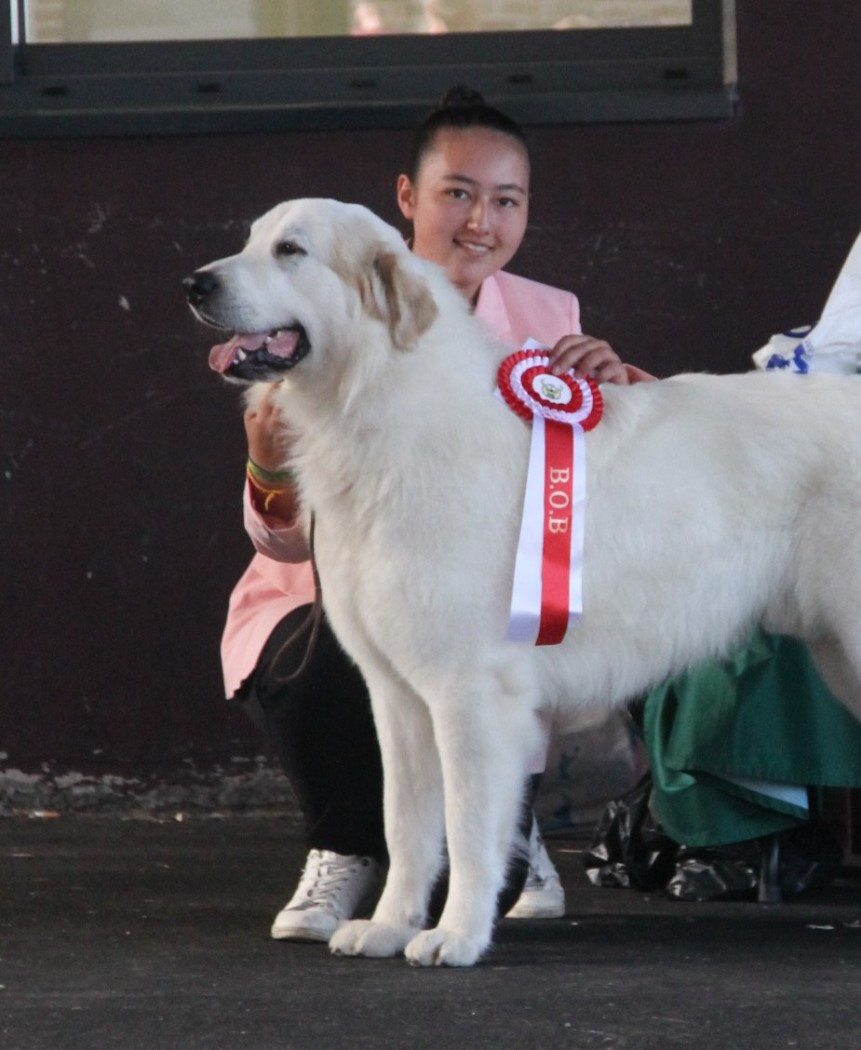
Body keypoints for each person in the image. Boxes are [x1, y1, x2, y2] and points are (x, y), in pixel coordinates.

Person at [224, 86, 646, 942]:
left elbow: (600, 487)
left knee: (462, 631)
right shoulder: (319, 298)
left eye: (506, 199)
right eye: (457, 193)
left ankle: (500, 827)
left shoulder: (547, 317)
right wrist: (269, 464)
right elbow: (279, 538)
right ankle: (345, 845)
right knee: (366, 626)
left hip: (493, 619)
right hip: (321, 593)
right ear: (408, 199)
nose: (481, 220)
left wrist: (616, 385)